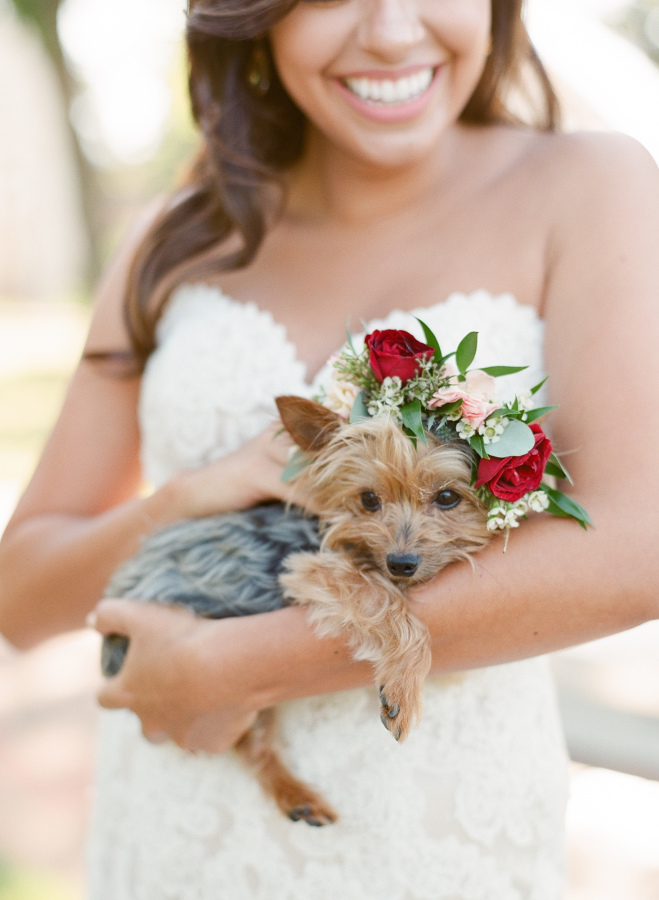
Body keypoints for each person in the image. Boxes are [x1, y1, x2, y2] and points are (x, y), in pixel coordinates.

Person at [1, 0, 658, 896]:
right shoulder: (175, 239)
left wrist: (232, 666)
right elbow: (20, 596)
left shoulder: (591, 183)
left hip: (436, 841)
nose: (390, 30)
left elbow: (638, 548)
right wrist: (183, 498)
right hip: (181, 828)